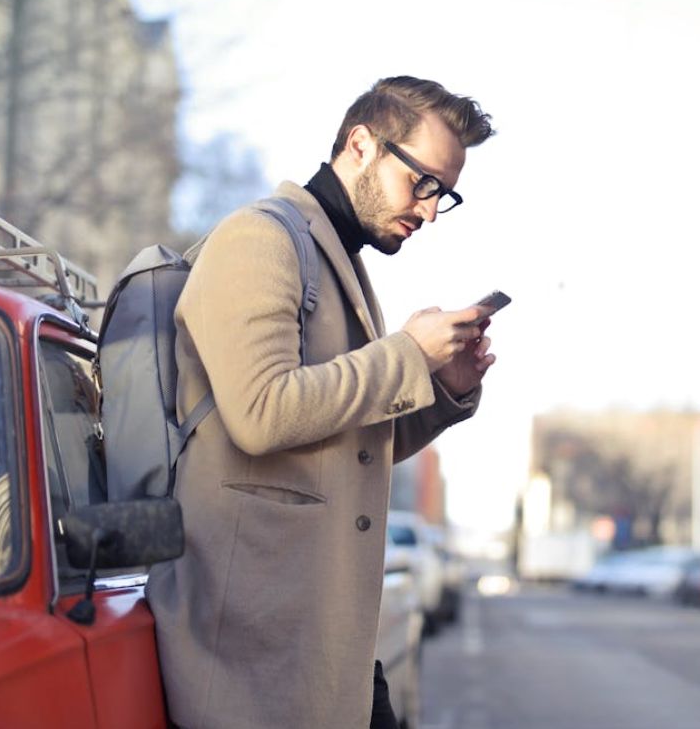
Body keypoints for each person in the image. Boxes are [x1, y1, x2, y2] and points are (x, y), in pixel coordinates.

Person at [146, 76, 497, 729]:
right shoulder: (259, 238)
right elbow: (262, 411)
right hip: (254, 656)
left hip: (325, 642)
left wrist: (444, 387)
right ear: (361, 144)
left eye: (443, 195)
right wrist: (406, 354)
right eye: (421, 182)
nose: (427, 210)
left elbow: (349, 443)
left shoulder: (336, 260)